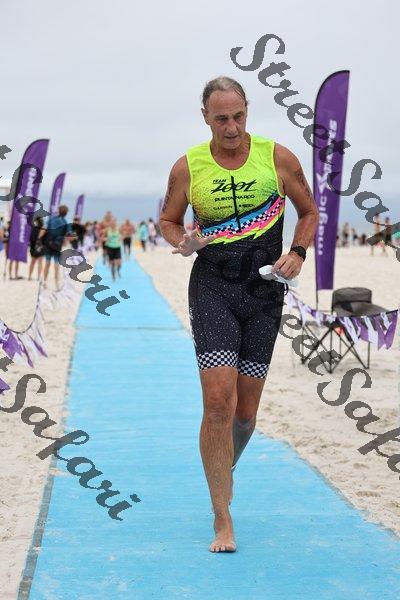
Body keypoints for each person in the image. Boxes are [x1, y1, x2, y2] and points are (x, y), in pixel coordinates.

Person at [159, 76, 319, 553]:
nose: (231, 127)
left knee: (245, 416)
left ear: (247, 111)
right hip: (212, 288)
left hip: (264, 292)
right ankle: (221, 516)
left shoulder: (278, 157)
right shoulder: (188, 166)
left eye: (238, 116)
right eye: (221, 119)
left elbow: (309, 212)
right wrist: (183, 241)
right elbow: (168, 221)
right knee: (218, 405)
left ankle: (221, 463)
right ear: (205, 118)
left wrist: (298, 252)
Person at [38, 204, 73, 289]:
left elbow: (44, 229)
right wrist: (66, 241)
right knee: (56, 264)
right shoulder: (65, 222)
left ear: (59, 211)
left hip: (48, 243)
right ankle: (56, 284)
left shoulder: (51, 219)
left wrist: (38, 238)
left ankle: (45, 282)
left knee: (47, 263)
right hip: (58, 245)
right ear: (66, 213)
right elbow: (69, 236)